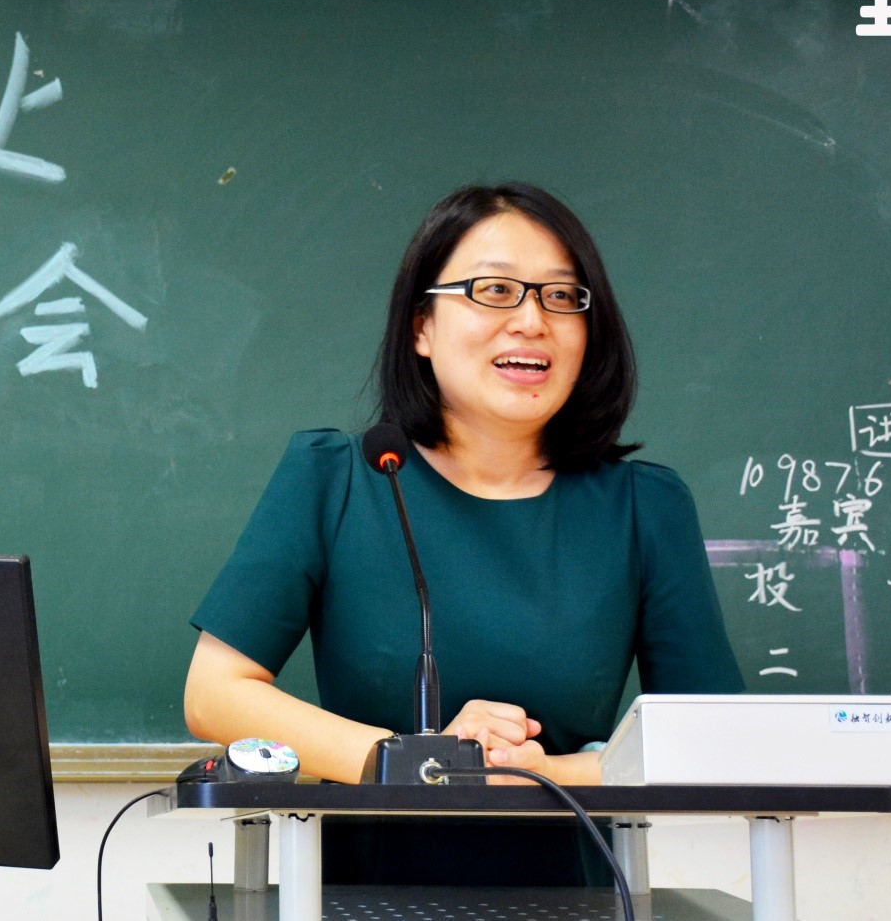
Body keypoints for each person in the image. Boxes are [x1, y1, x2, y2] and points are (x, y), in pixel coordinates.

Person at [184, 181, 743, 886]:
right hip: (357, 896)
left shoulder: (643, 506)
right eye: (495, 291)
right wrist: (420, 762)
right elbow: (215, 692)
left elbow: (712, 740)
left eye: (561, 296)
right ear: (420, 326)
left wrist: (543, 772)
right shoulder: (338, 478)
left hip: (575, 895)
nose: (531, 321)